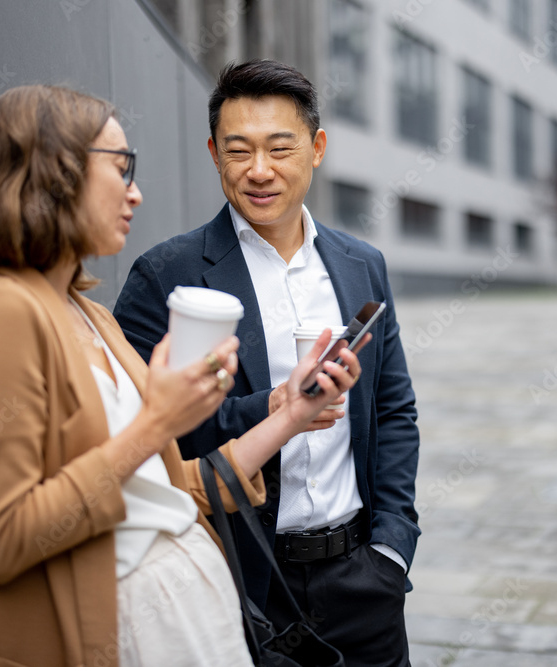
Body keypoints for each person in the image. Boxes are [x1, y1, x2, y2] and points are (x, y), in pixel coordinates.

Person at [0, 84, 362, 667]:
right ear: (51, 174)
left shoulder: (89, 314)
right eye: (121, 167)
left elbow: (175, 486)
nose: (135, 193)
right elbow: (4, 537)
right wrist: (158, 420)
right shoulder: (1, 312)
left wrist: (291, 412)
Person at [113, 59, 420, 666]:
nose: (259, 171)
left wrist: (392, 547)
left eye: (280, 148)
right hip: (242, 580)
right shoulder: (165, 277)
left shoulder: (361, 265)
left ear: (317, 148)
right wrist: (277, 407)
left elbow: (394, 408)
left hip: (363, 581)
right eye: (238, 151)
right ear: (212, 153)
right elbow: (141, 438)